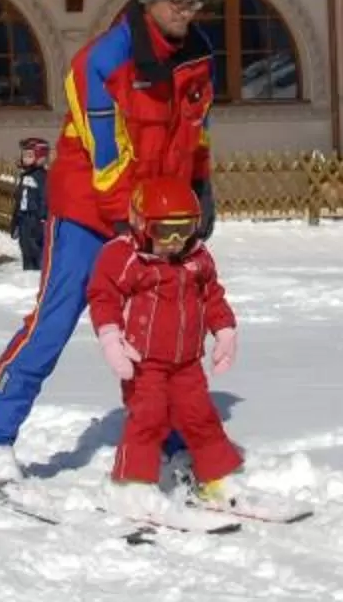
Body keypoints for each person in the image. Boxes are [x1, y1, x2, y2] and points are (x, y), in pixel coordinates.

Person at [0, 0, 218, 490]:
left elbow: (196, 134)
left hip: (153, 219)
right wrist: (134, 226)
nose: (185, 13)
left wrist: (199, 191)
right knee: (52, 326)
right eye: (175, 1)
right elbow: (107, 157)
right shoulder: (99, 62)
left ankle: (171, 449)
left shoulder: (197, 57)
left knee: (159, 335)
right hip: (87, 216)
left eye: (194, 3)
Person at [89, 175, 243, 511]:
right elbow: (104, 298)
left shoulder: (197, 258)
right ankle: (131, 485)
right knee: (149, 417)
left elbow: (212, 296)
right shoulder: (122, 257)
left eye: (184, 229)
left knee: (201, 416)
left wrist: (225, 331)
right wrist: (111, 339)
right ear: (141, 225)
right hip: (144, 362)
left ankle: (216, 479)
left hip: (187, 361)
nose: (174, 241)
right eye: (164, 231)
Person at [10, 134, 51, 273]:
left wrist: (43, 218)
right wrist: (15, 222)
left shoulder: (42, 177)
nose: (25, 159)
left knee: (37, 253)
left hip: (36, 221)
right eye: (24, 155)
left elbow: (45, 198)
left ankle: (39, 277)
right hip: (24, 221)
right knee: (26, 251)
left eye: (29, 156)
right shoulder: (24, 177)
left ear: (41, 158)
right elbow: (18, 201)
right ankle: (27, 275)